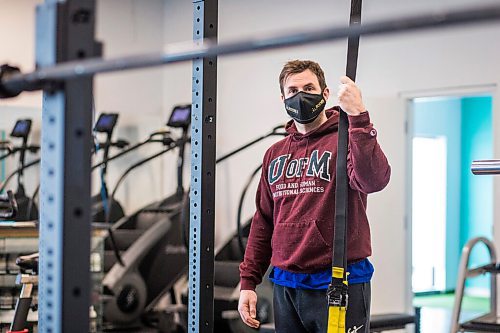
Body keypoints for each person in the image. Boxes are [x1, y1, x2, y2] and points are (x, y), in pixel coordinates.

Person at [238, 59, 391, 333]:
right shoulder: (275, 154)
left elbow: (375, 180)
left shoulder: (345, 140)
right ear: (283, 98)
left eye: (309, 87)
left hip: (338, 282)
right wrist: (248, 282)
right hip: (286, 285)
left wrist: (359, 116)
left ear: (325, 93)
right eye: (293, 90)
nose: (301, 96)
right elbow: (263, 223)